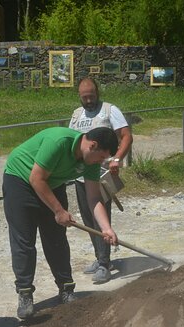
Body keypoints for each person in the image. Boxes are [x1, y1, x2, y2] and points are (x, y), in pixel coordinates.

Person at [2, 126, 119, 320]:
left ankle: (66, 289)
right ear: (93, 145)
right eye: (101, 158)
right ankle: (25, 294)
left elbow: (94, 197)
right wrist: (58, 210)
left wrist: (106, 228)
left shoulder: (90, 159)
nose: (100, 162)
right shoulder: (58, 142)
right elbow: (36, 178)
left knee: (56, 238)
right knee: (24, 241)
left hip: (52, 183)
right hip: (21, 179)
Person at [68, 77, 133, 285]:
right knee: (88, 218)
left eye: (91, 96)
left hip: (101, 174)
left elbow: (126, 136)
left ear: (98, 93)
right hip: (80, 175)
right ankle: (99, 257)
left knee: (100, 217)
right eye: (84, 97)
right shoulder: (77, 115)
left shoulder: (109, 110)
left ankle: (105, 263)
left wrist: (116, 158)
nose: (88, 101)